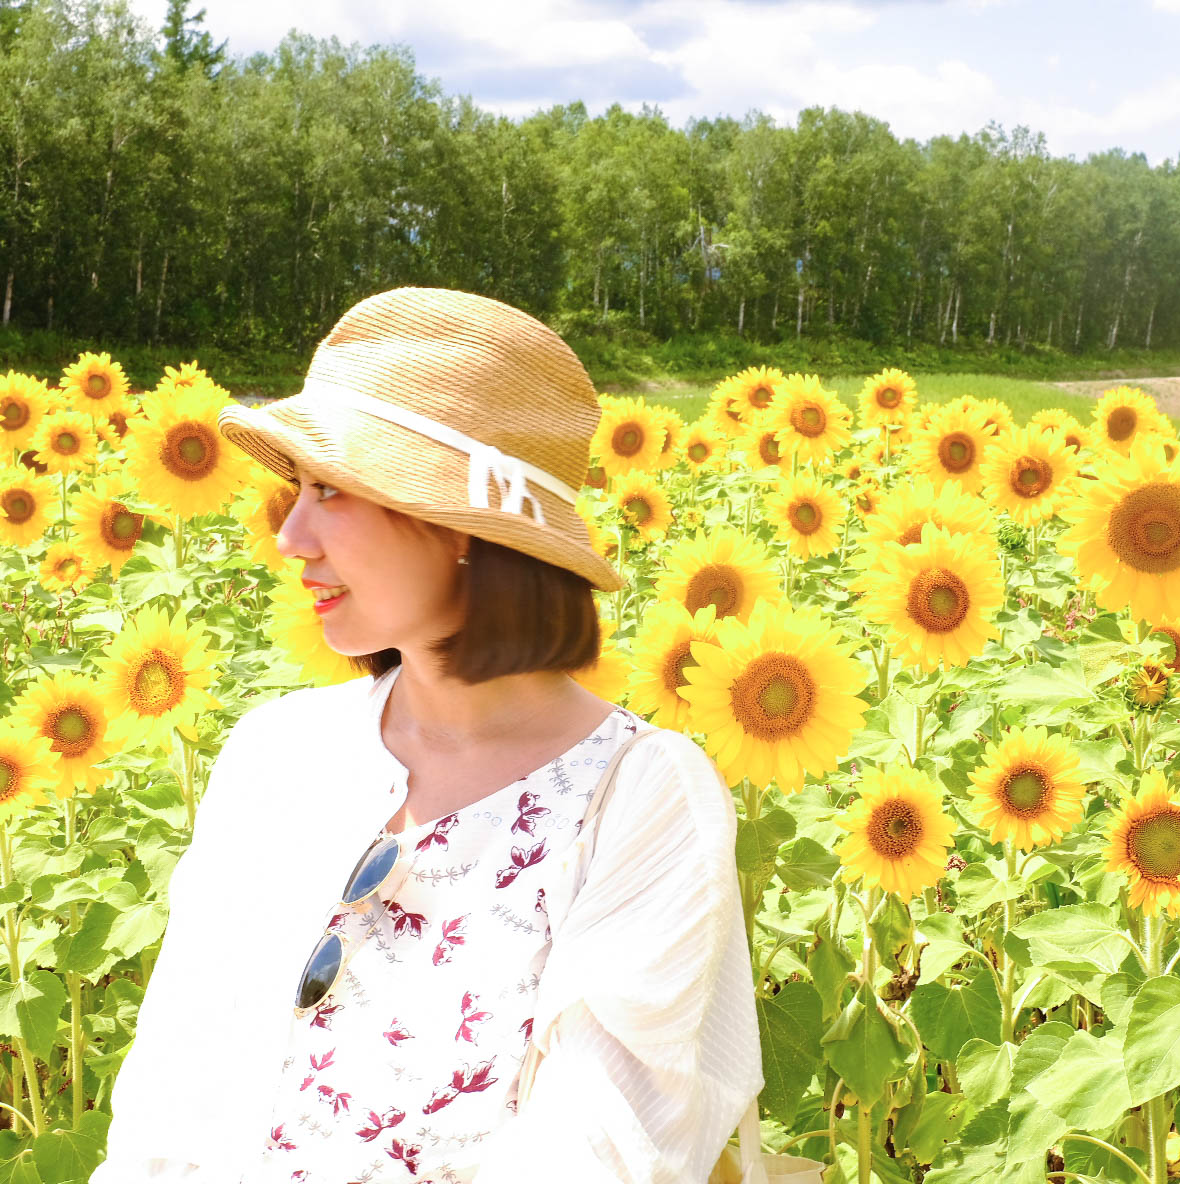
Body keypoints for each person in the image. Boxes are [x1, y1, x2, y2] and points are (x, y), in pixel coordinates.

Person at [89, 287, 763, 1183]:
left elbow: (601, 1150)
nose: (291, 536)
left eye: (330, 490)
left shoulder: (642, 797)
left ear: (457, 527)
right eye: (297, 489)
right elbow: (176, 1086)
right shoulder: (277, 755)